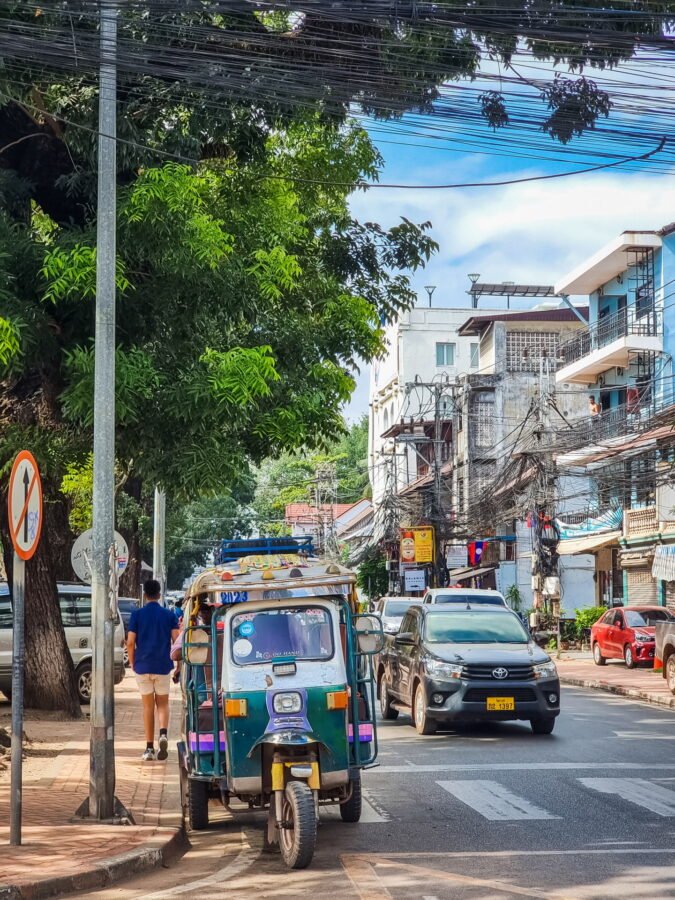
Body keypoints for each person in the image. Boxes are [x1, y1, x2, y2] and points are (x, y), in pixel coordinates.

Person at [127, 579, 179, 761]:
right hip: (163, 665)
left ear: (145, 594)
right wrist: (179, 665)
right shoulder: (169, 615)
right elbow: (177, 643)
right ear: (159, 594)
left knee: (148, 706)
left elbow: (131, 642)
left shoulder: (137, 615)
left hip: (143, 665)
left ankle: (149, 748)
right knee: (163, 703)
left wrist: (133, 663)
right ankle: (163, 734)